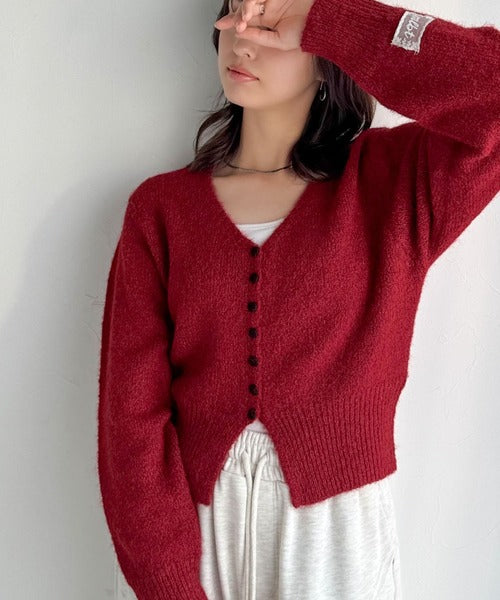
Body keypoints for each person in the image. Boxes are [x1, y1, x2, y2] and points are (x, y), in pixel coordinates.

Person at [97, 0, 500, 599]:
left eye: (269, 22)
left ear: (324, 50)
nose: (242, 40)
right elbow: (129, 420)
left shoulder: (392, 185)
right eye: (235, 14)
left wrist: (328, 18)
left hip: (335, 531)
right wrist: (168, 581)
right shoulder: (161, 210)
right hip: (191, 526)